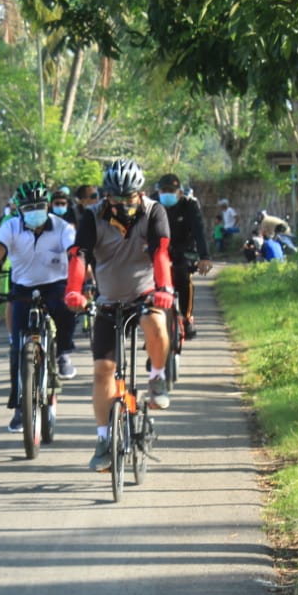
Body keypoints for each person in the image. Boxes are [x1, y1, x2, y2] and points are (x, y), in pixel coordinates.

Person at [64, 158, 175, 472]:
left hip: (146, 293)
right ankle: (102, 440)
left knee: (155, 322)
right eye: (117, 198)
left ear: (139, 193)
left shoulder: (155, 212)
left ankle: (157, 378)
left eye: (130, 197)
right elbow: (80, 253)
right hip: (108, 299)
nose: (124, 204)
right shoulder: (92, 215)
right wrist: (74, 289)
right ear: (105, 195)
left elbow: (160, 251)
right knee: (103, 370)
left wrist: (164, 287)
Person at [0, 181, 79, 432]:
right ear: (19, 208)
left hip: (56, 284)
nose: (35, 211)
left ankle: (62, 352)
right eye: (29, 207)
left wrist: (83, 284)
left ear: (47, 206)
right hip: (23, 288)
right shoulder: (10, 227)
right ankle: (20, 407)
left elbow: (75, 254)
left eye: (39, 206)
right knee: (17, 346)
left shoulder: (62, 227)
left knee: (65, 311)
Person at [155, 173, 212, 339]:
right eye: (163, 190)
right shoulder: (152, 205)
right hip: (159, 251)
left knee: (184, 279)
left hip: (184, 251)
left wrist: (204, 256)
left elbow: (199, 232)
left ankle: (187, 319)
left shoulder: (189, 206)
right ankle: (155, 331)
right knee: (151, 285)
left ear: (179, 192)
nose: (167, 193)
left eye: (171, 190)